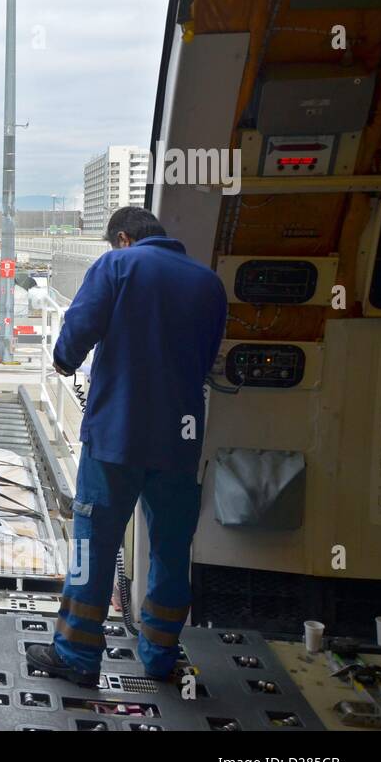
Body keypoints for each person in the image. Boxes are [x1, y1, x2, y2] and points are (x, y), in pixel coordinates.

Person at [26, 206, 227, 685]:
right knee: (172, 548)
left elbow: (80, 326)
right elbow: (207, 357)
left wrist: (62, 361)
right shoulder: (208, 283)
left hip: (117, 434)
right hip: (180, 441)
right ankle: (160, 657)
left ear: (122, 238)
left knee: (91, 548)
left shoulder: (119, 265)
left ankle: (76, 656)